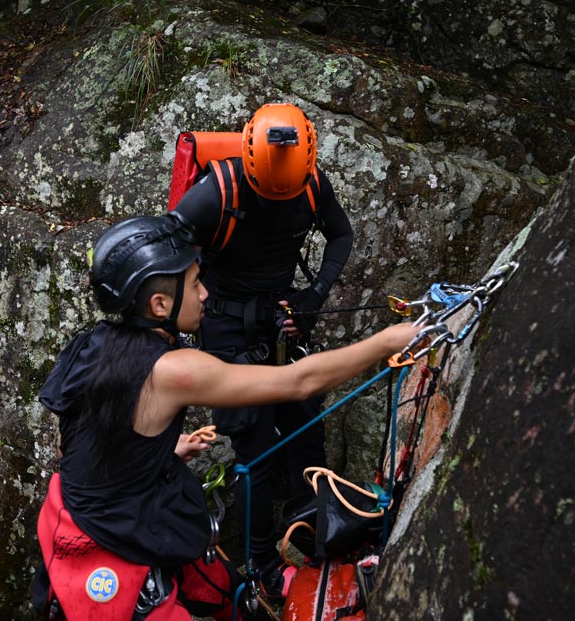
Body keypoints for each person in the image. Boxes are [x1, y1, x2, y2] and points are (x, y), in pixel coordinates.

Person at [32, 212, 424, 620]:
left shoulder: (89, 344)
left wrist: (153, 452)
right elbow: (298, 382)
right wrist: (389, 340)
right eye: (195, 284)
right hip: (114, 543)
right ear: (160, 303)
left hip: (75, 515)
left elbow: (72, 441)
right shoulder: (173, 370)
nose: (204, 294)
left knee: (222, 587)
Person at [172, 102, 354, 595]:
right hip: (227, 327)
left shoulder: (312, 184)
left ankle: (321, 543)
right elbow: (167, 254)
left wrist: (312, 297)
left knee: (306, 431)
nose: (277, 201)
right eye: (269, 194)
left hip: (282, 320)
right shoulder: (217, 194)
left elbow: (341, 235)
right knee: (252, 446)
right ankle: (261, 568)